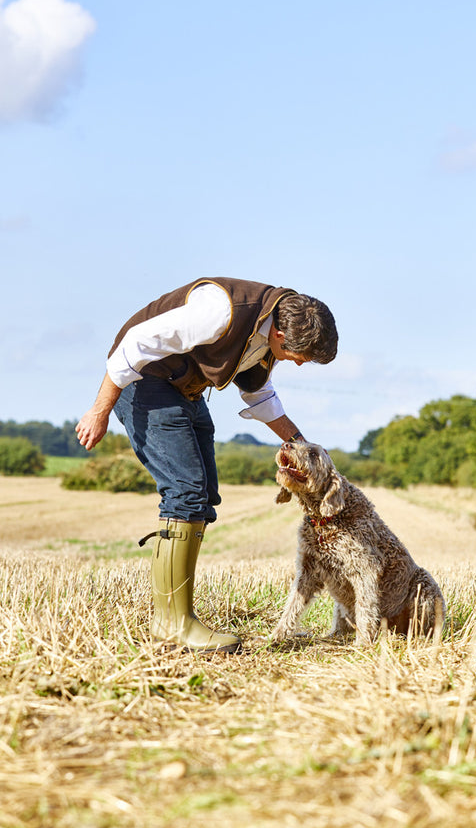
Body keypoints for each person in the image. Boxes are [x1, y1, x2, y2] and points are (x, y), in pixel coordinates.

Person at [76, 277, 338, 654]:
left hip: (185, 390)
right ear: (280, 335)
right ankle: (172, 625)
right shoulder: (219, 312)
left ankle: (177, 616)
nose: (299, 364)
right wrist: (98, 412)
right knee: (185, 493)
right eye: (302, 357)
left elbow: (259, 393)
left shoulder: (266, 332)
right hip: (145, 382)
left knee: (203, 496)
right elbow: (133, 344)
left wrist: (302, 447)